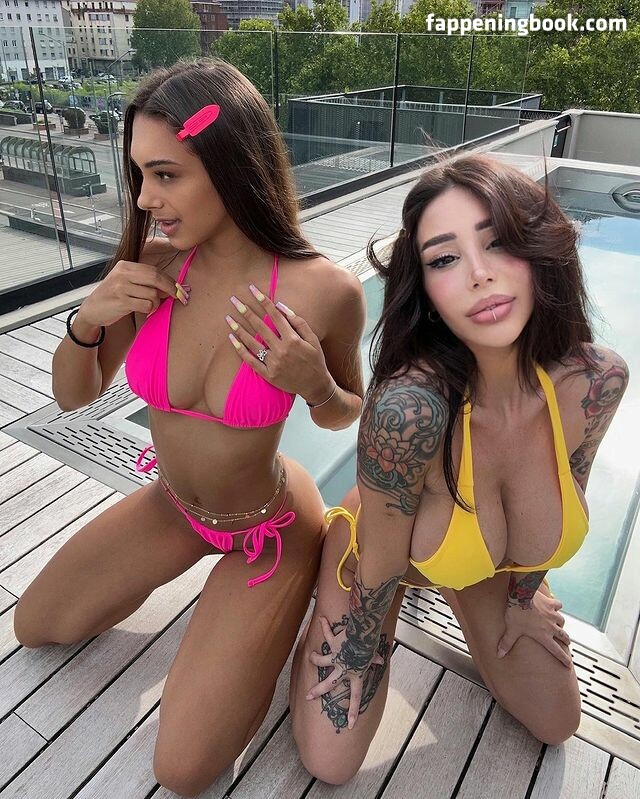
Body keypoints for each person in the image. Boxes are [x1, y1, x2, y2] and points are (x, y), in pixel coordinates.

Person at [13, 58, 365, 797]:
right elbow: (75, 397)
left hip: (267, 527)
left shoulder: (322, 289)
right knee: (36, 624)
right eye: (140, 173)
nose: (146, 198)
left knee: (182, 769)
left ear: (231, 163)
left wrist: (314, 383)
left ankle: (290, 604)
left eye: (166, 174)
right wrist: (88, 319)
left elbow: (346, 412)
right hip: (173, 504)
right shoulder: (154, 265)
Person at [289, 153, 629, 784]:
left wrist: (523, 597)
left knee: (557, 722)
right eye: (445, 259)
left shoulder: (595, 381)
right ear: (425, 288)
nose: (479, 274)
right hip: (378, 550)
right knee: (330, 761)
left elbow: (567, 493)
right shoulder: (411, 412)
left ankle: (464, 579)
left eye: (498, 242)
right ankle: (359, 583)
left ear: (541, 250)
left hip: (476, 557)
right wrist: (359, 644)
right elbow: (382, 560)